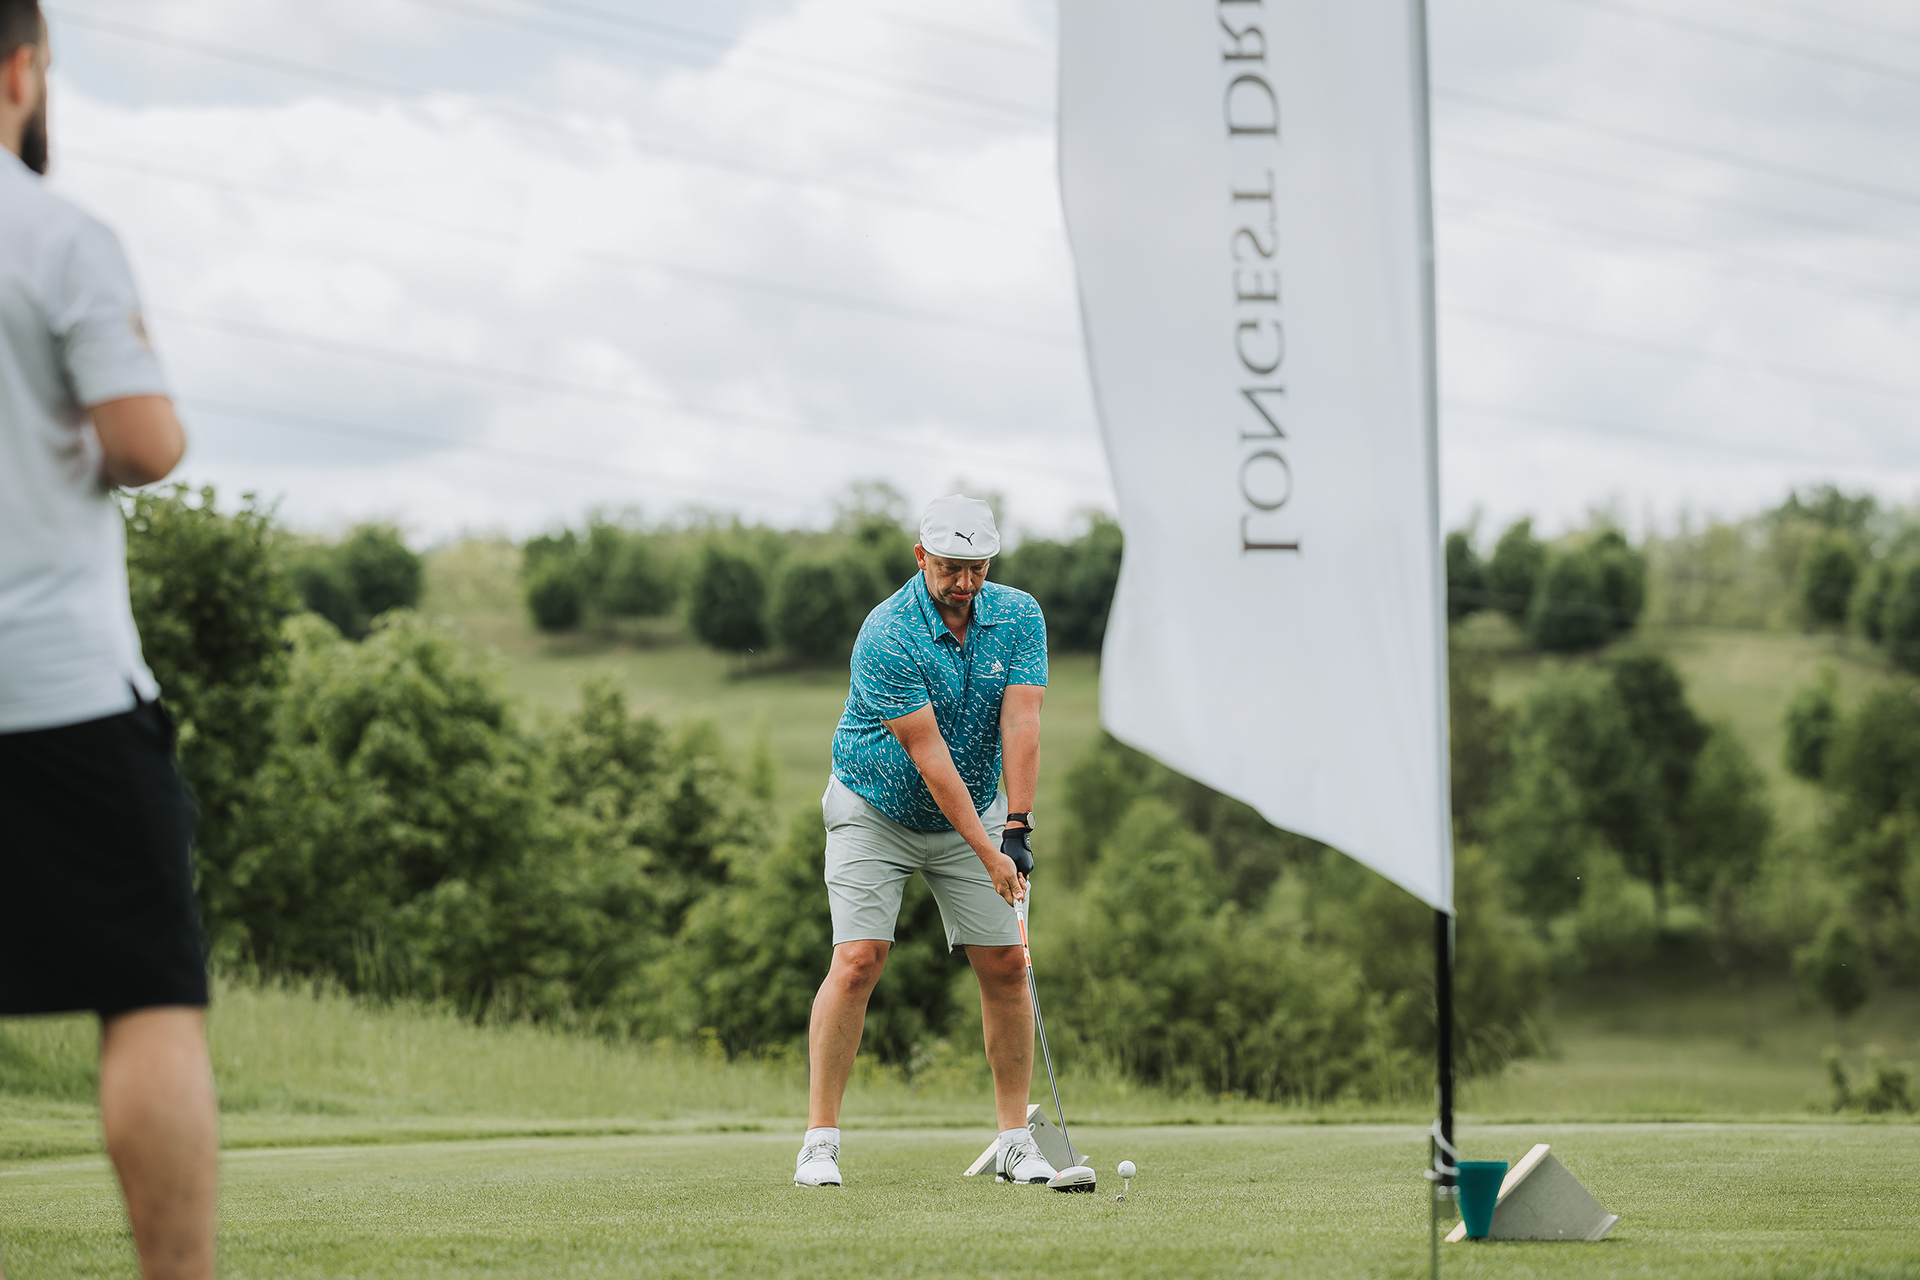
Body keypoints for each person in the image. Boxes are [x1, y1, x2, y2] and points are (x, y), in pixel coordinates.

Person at [0, 4, 219, 1277]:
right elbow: (143, 442)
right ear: (23, 69)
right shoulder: (58, 234)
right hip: (58, 688)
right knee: (147, 994)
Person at [795, 494, 1055, 1188]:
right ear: (921, 558)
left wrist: (1018, 826)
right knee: (859, 959)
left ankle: (1015, 1143)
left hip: (977, 807)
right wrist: (990, 853)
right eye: (949, 568)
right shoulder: (887, 631)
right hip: (874, 805)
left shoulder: (1020, 615)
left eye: (977, 568)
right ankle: (819, 1142)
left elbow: (1021, 722)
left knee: (1006, 964)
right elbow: (930, 757)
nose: (965, 582)